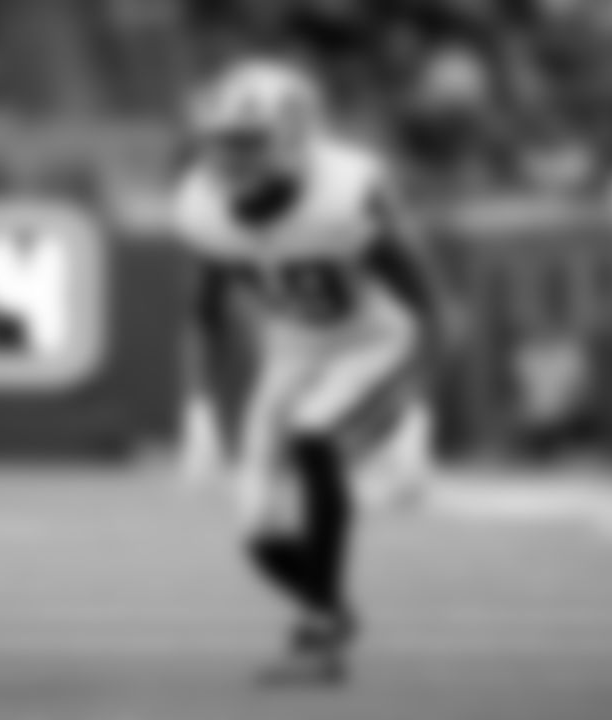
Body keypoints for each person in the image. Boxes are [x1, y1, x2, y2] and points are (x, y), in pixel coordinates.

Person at [172, 58, 449, 686]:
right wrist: (196, 410)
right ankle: (328, 611)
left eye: (249, 142)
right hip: (293, 350)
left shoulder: (346, 195)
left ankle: (320, 636)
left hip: (374, 342)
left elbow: (431, 305)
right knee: (257, 533)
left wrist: (419, 418)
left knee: (314, 436)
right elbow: (201, 314)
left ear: (295, 138)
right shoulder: (203, 207)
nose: (230, 158)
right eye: (222, 141)